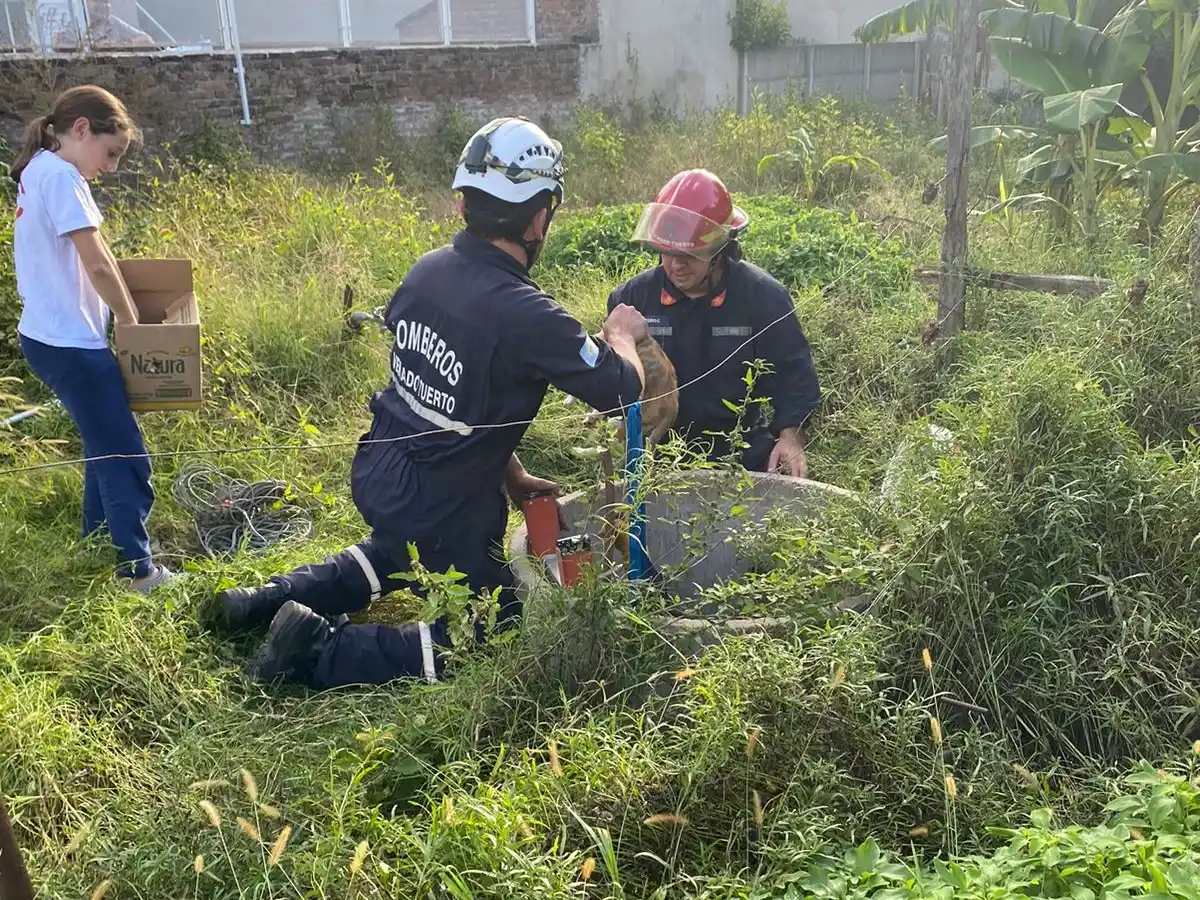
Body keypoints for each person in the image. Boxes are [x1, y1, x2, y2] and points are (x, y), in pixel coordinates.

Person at [215, 116, 650, 688]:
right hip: (443, 505)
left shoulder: (428, 271)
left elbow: (447, 397)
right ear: (541, 214)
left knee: (395, 552)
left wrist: (512, 477)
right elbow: (625, 388)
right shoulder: (527, 313)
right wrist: (621, 334)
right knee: (490, 630)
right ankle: (322, 650)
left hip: (382, 472)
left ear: (464, 203)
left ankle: (264, 600)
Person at [11, 84, 176, 593]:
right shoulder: (61, 176)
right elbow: (97, 261)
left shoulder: (40, 167)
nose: (111, 166)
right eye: (111, 153)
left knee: (104, 443)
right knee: (125, 454)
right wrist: (131, 322)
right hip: (69, 343)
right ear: (81, 129)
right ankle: (136, 571)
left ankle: (96, 538)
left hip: (49, 336)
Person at [606, 169, 821, 477]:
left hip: (740, 452)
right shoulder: (631, 301)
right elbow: (612, 384)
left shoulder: (762, 298)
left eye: (689, 255)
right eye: (667, 253)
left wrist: (791, 437)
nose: (676, 265)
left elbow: (794, 374)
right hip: (659, 456)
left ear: (719, 249)